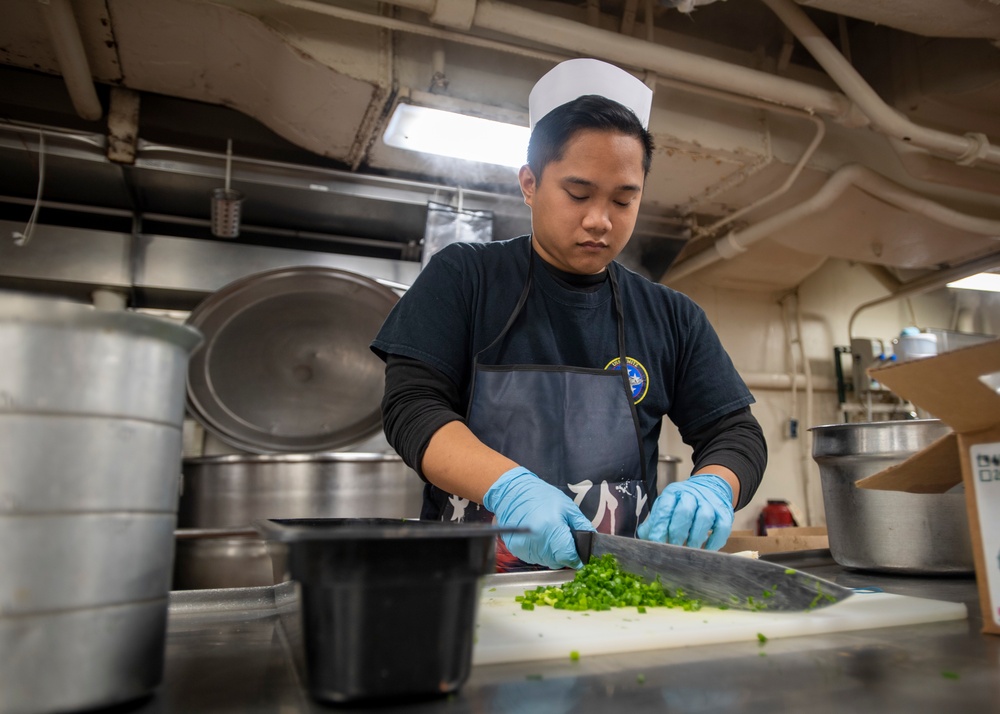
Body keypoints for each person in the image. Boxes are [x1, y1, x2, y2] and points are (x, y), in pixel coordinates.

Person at [371, 58, 767, 572]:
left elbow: (735, 433)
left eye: (624, 201)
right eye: (578, 194)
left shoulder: (672, 316)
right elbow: (412, 406)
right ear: (530, 183)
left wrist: (714, 485)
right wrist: (509, 488)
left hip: (610, 589)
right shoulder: (466, 277)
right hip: (468, 585)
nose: (599, 220)